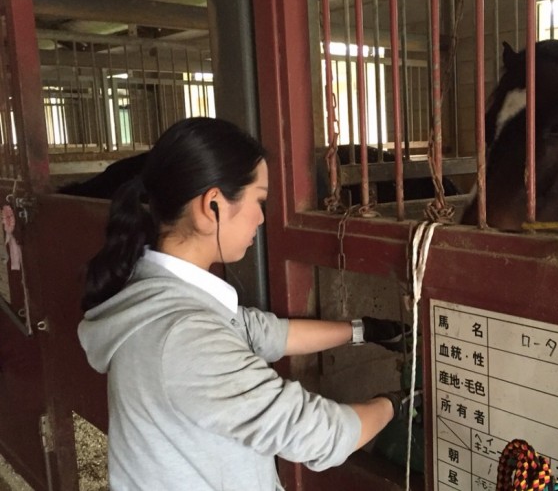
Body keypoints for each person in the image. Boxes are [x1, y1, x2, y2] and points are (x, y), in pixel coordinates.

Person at [77, 117, 417, 490]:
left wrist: (363, 330)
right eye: (259, 200)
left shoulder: (155, 296)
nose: (261, 218)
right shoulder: (183, 337)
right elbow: (320, 435)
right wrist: (396, 402)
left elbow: (260, 332)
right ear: (213, 206)